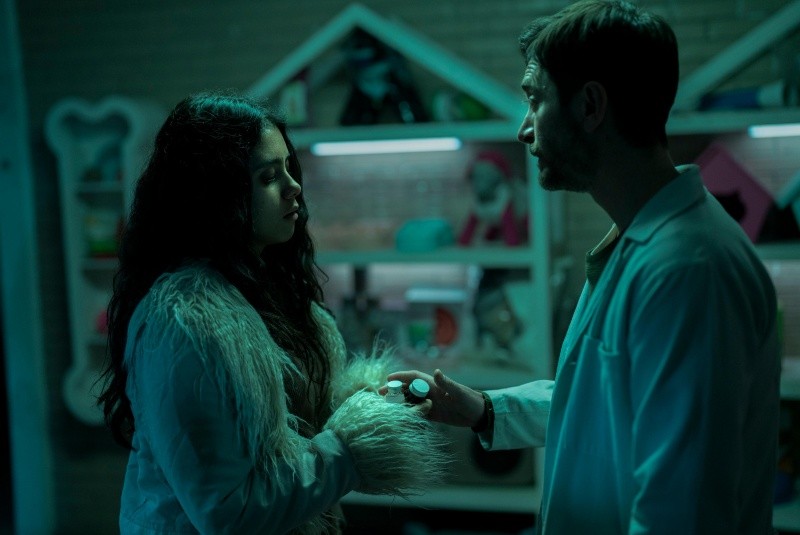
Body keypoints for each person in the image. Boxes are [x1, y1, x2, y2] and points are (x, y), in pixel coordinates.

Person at [386, 1, 781, 533]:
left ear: (590, 105)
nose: (524, 129)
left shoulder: (688, 270)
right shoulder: (642, 239)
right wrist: (480, 408)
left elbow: (679, 513)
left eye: (535, 100)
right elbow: (607, 401)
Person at [98, 91, 447, 534]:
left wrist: (361, 403)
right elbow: (227, 512)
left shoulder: (270, 289)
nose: (293, 186)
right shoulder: (184, 322)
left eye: (288, 167)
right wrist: (351, 445)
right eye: (268, 176)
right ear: (216, 197)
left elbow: (295, 428)